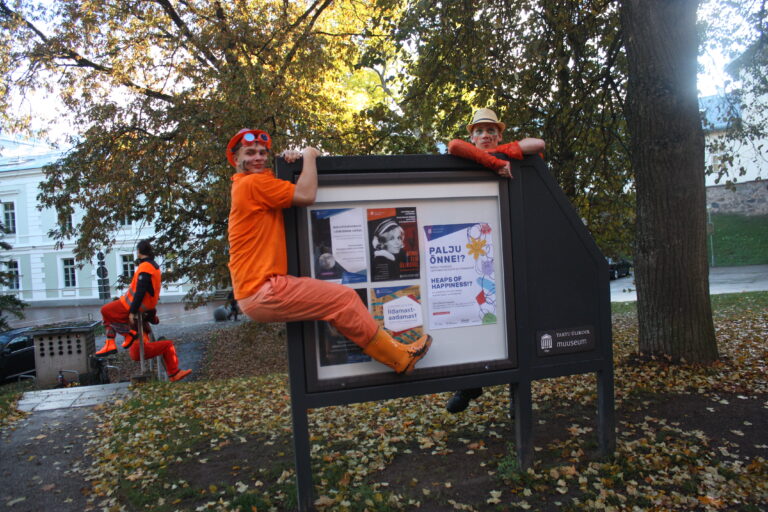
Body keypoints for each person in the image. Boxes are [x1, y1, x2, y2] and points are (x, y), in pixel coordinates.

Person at [226, 128, 432, 374]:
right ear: (236, 159)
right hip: (263, 289)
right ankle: (399, 358)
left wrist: (293, 159)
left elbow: (281, 184)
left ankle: (395, 353)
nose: (258, 157)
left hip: (257, 291)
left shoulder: (251, 185)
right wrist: (309, 154)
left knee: (340, 303)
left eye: (262, 152)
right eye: (250, 153)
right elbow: (305, 194)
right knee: (344, 300)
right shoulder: (251, 184)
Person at [444, 108, 545, 413]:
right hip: (478, 254)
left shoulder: (511, 153)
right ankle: (470, 384)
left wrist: (504, 154)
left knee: (517, 322)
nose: (485, 135)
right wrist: (494, 163)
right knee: (475, 315)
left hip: (512, 247)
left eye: (491, 130)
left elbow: (538, 144)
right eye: (479, 131)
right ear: (472, 135)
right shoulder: (468, 156)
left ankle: (519, 397)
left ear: (499, 135)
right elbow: (454, 145)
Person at [94, 240, 192, 382]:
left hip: (134, 308)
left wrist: (133, 311)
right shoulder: (153, 266)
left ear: (139, 252)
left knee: (106, 311)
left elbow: (141, 290)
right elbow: (150, 303)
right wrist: (150, 315)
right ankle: (114, 341)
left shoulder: (145, 267)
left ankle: (120, 338)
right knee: (110, 315)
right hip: (141, 313)